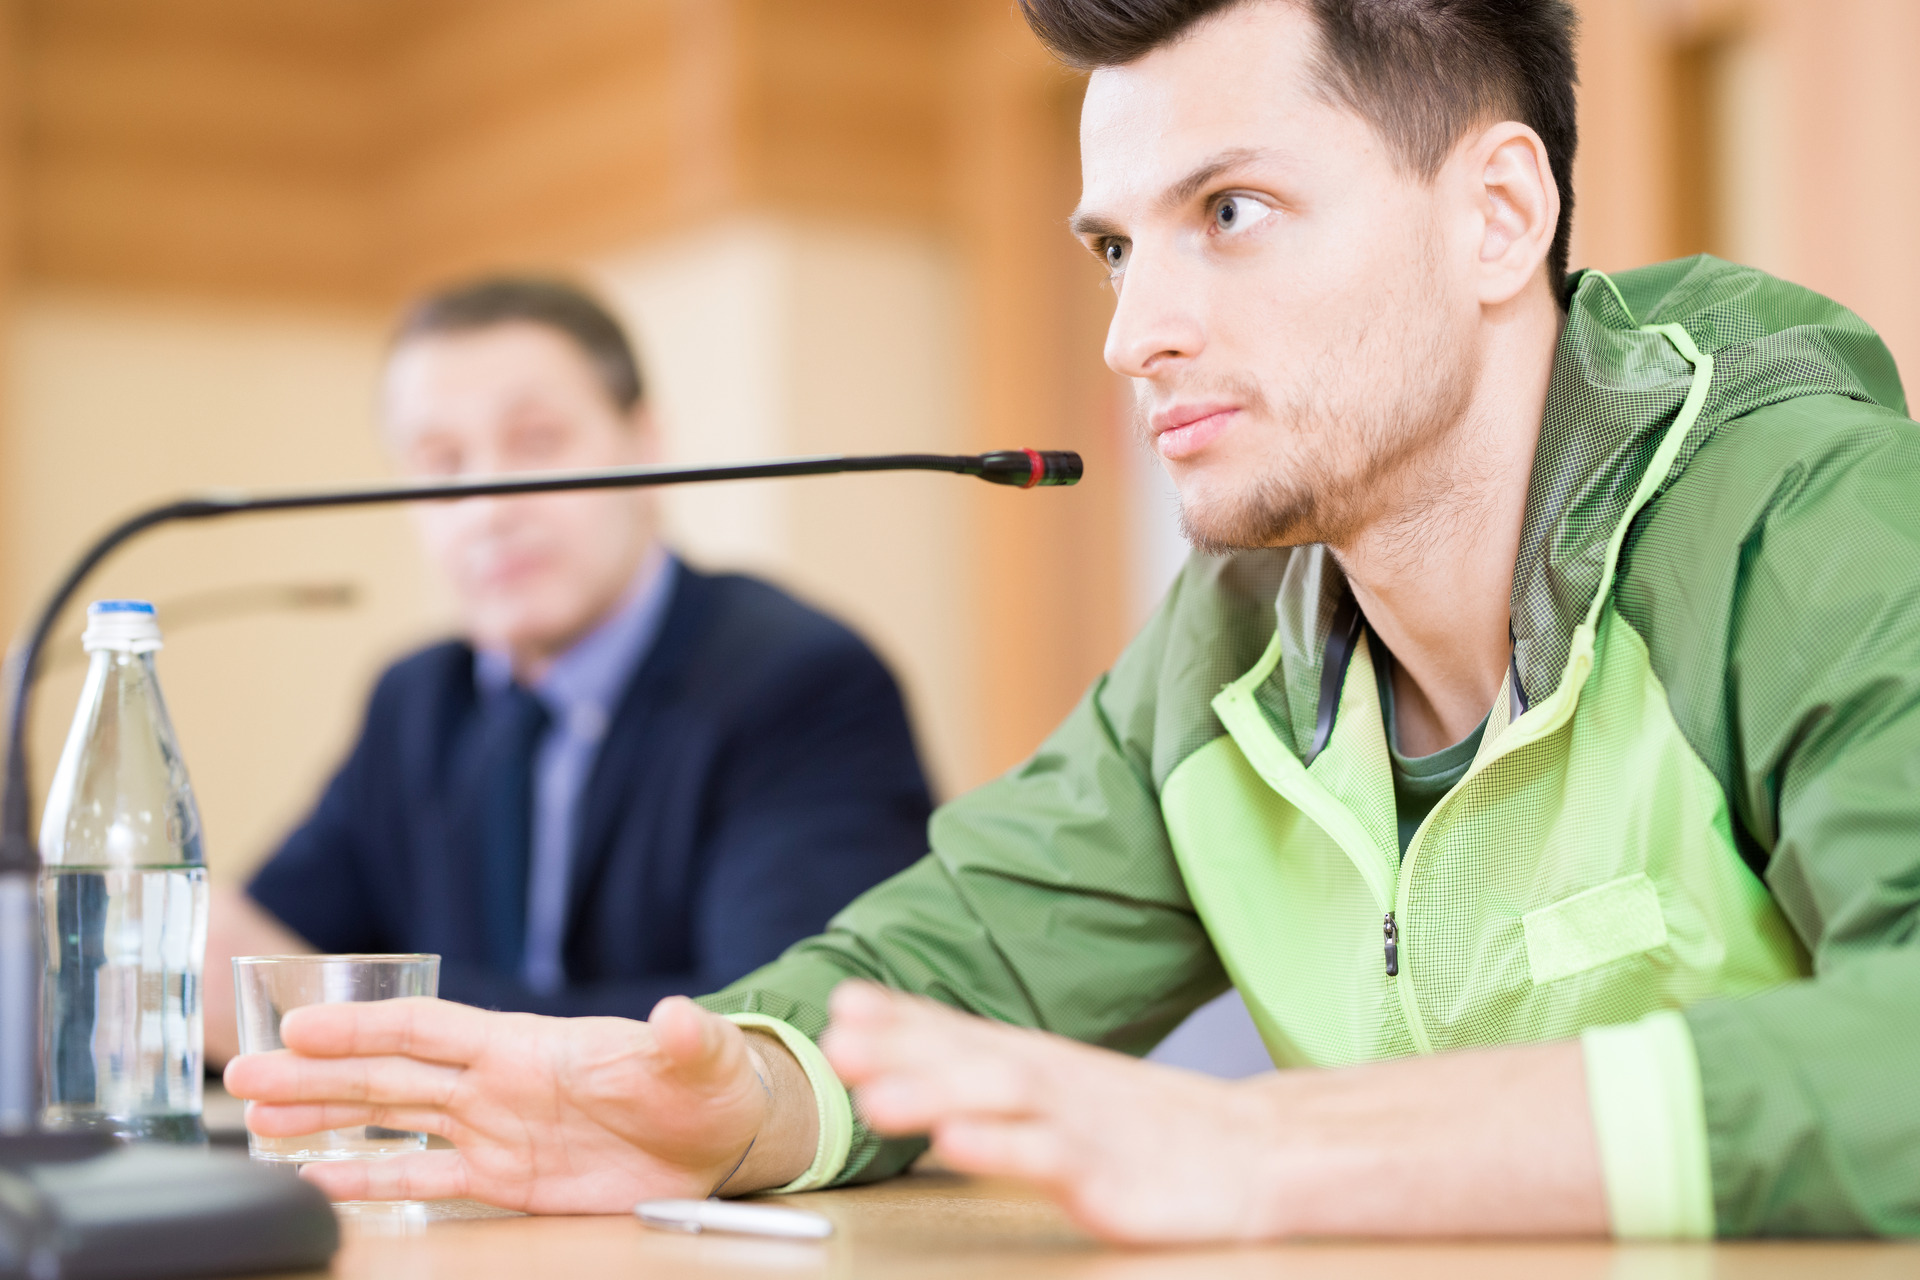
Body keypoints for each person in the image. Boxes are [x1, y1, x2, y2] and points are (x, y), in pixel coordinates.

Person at [225, 0, 1920, 1240]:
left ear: (1500, 215)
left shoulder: (1813, 523)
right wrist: (732, 1096)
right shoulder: (1231, 641)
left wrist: (1276, 1153)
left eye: (1230, 215)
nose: (1133, 335)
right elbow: (943, 964)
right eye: (1118, 248)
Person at [205, 277, 934, 1063]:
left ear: (645, 444)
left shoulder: (801, 681)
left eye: (538, 443)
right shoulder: (415, 702)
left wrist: (350, 1017)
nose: (487, 506)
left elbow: (780, 1027)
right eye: (441, 461)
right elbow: (262, 952)